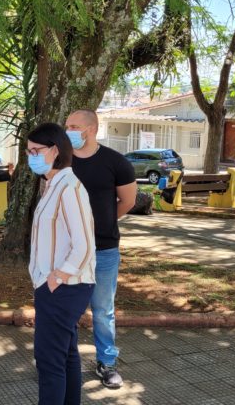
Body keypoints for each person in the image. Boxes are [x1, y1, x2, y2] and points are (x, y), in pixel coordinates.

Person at [64, 110, 136, 389]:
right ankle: (62, 359)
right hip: (67, 250)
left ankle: (107, 363)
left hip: (104, 249)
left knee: (103, 309)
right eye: (67, 125)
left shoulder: (115, 162)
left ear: (91, 129)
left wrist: (99, 224)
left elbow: (127, 201)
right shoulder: (61, 161)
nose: (68, 130)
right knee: (67, 307)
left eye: (74, 126)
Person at [27, 122, 96, 405]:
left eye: (35, 150)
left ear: (54, 150)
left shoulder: (70, 187)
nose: (30, 156)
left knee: (49, 360)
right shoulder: (53, 185)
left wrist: (55, 278)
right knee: (65, 355)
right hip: (54, 286)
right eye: (28, 151)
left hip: (64, 286)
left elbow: (85, 245)